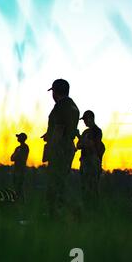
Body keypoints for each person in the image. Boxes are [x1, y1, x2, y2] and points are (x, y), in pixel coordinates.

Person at [42, 79, 80, 217]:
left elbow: (59, 128)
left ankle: (55, 213)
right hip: (68, 147)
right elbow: (67, 127)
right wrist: (49, 133)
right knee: (62, 181)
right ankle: (62, 211)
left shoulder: (60, 106)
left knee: (55, 181)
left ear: (55, 92)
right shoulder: (73, 106)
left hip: (59, 149)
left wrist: (51, 147)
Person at [76, 110, 105, 203]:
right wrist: (84, 142)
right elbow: (78, 145)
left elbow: (93, 144)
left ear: (91, 119)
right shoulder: (85, 132)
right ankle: (86, 204)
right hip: (84, 161)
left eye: (85, 119)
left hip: (93, 161)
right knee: (84, 185)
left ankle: (94, 205)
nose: (84, 122)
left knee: (93, 185)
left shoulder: (97, 131)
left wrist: (84, 142)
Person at [10, 133, 29, 202]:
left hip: (21, 170)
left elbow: (20, 157)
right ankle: (18, 201)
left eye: (19, 137)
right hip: (16, 169)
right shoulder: (18, 148)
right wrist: (16, 156)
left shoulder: (25, 147)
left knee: (19, 186)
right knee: (15, 185)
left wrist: (16, 156)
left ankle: (22, 201)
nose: (17, 138)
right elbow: (12, 158)